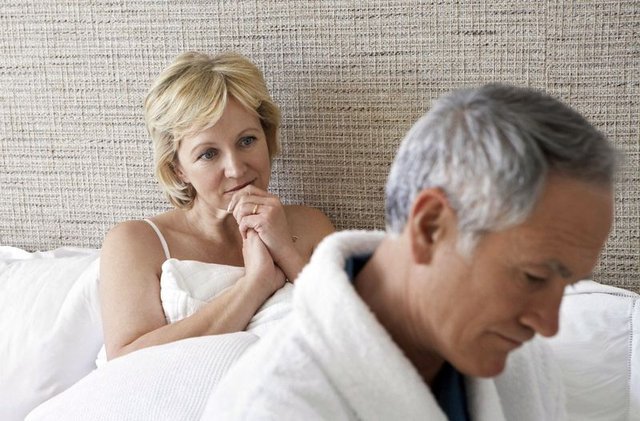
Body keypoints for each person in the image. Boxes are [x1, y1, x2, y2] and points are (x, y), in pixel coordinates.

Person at [202, 84, 616, 420]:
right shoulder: (270, 407)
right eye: (534, 277)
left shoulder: (523, 363)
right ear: (431, 227)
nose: (548, 324)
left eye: (566, 285)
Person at [99, 51, 335, 361]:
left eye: (247, 141)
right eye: (208, 154)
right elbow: (126, 362)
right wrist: (254, 285)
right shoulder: (136, 243)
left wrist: (285, 253)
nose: (236, 169)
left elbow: (354, 337)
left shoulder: (311, 226)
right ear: (177, 169)